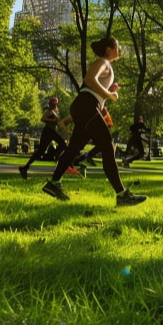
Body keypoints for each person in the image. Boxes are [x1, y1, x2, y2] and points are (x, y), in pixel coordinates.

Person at [40, 37, 146, 206]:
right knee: (107, 145)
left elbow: (93, 88)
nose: (120, 49)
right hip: (87, 106)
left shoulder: (105, 65)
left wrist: (109, 91)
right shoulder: (103, 62)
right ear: (108, 49)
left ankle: (53, 183)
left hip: (86, 106)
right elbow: (89, 80)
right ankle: (121, 195)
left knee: (74, 148)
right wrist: (111, 95)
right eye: (118, 46)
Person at [19, 97, 75, 178]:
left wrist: (65, 129)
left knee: (63, 144)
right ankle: (25, 168)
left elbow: (58, 121)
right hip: (48, 131)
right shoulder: (49, 111)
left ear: (56, 103)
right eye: (51, 104)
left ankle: (56, 156)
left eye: (54, 104)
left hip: (53, 131)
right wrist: (53, 120)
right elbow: (43, 118)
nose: (53, 105)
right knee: (40, 151)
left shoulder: (56, 110)